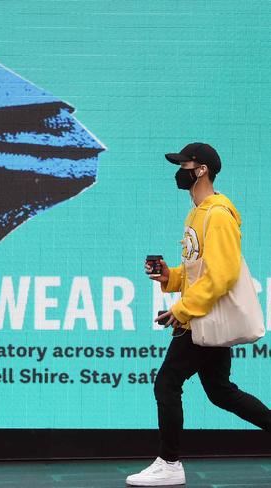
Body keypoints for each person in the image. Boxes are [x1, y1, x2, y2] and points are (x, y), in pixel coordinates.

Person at [126, 143, 271, 486]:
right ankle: (169, 463)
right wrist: (170, 277)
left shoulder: (218, 215)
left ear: (202, 169)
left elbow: (222, 275)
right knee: (221, 392)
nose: (179, 170)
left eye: (184, 164)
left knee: (167, 382)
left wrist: (182, 309)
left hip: (202, 318)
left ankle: (169, 463)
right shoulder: (197, 212)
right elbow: (199, 271)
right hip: (202, 317)